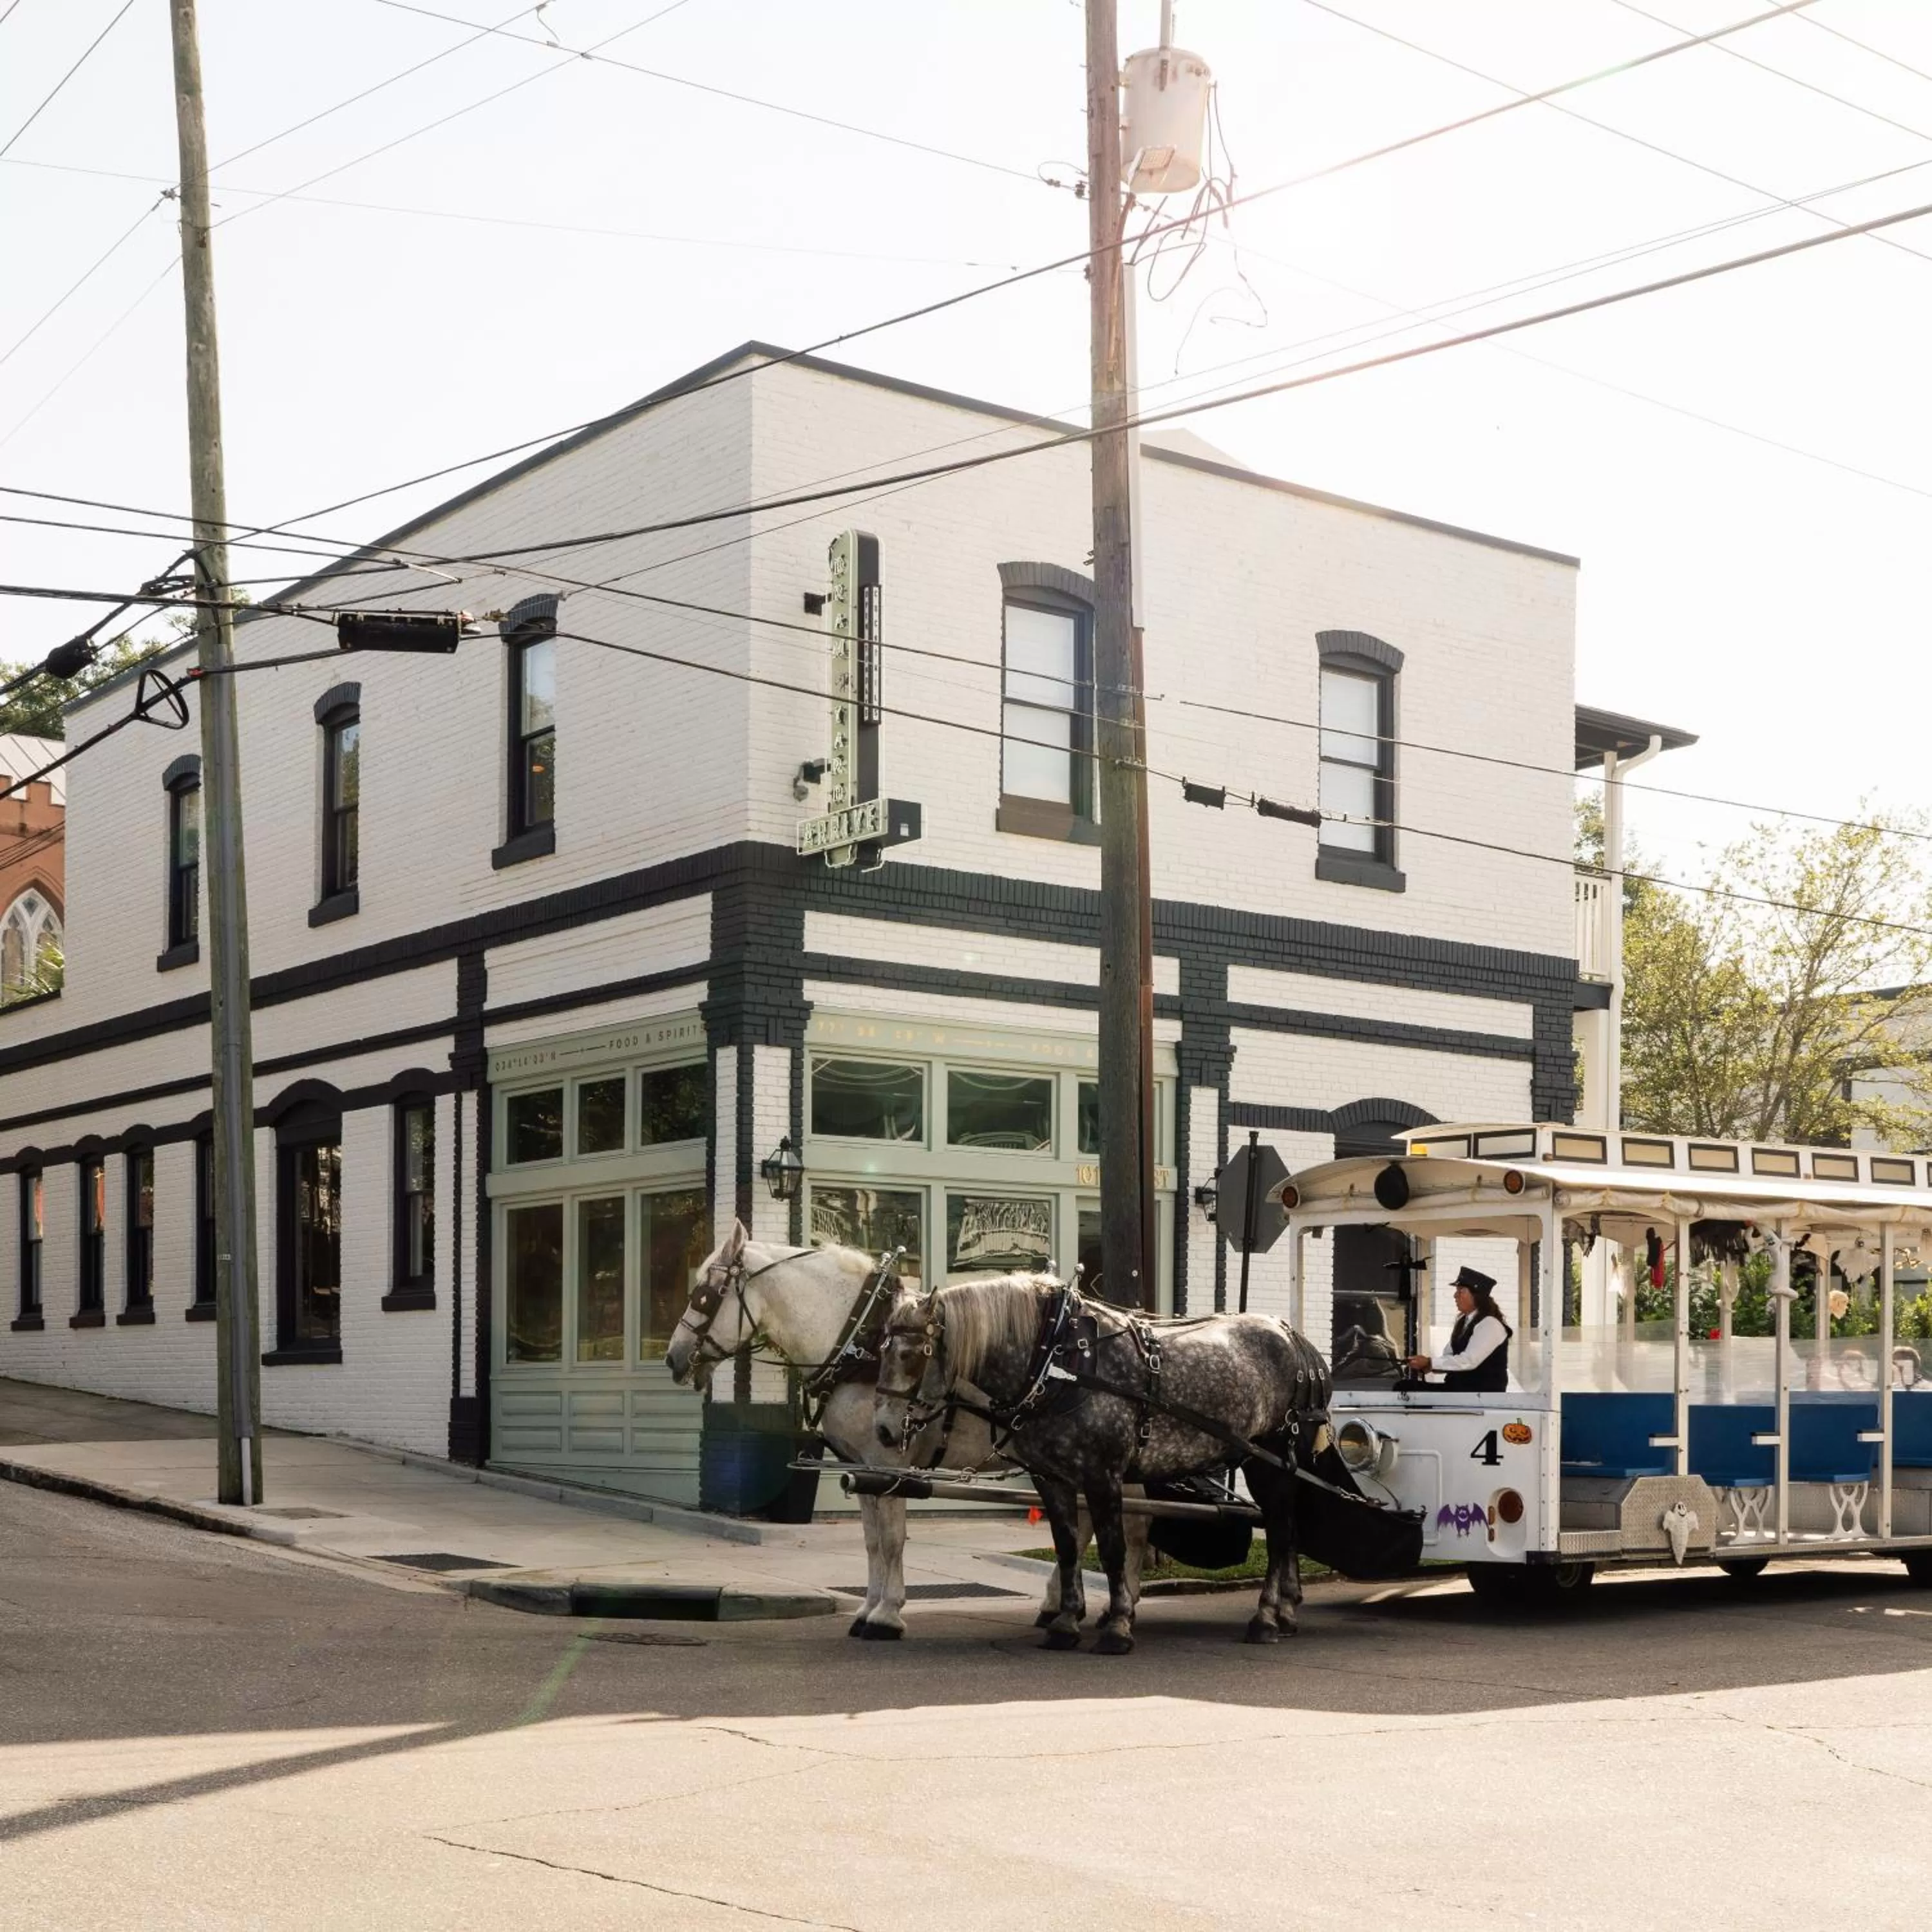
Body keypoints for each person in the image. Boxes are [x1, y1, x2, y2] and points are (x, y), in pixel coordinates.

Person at [1405, 1265, 1512, 1392]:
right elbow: (1449, 1356)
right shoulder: (1464, 1323)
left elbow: (1469, 1361)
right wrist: (1427, 1365)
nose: (1455, 1296)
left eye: (1461, 1291)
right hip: (1459, 1391)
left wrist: (1430, 1362)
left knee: (1407, 1389)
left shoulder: (1490, 1324)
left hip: (1480, 1396)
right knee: (1406, 1387)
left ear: (1476, 1296)